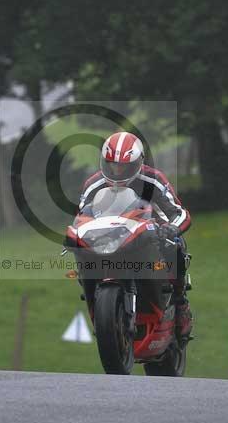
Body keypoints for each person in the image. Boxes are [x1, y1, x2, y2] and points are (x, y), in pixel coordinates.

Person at [77, 131, 194, 345]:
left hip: (150, 234)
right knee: (80, 250)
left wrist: (171, 228)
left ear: (138, 162)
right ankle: (95, 300)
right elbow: (82, 216)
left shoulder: (154, 179)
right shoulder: (93, 184)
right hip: (109, 238)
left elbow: (180, 212)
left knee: (175, 245)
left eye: (124, 166)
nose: (117, 170)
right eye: (112, 165)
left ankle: (180, 302)